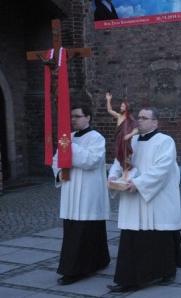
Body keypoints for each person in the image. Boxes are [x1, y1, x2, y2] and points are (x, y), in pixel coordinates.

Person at [107, 107, 181, 292]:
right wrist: (113, 176)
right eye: (138, 117)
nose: (139, 121)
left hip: (157, 199)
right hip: (134, 200)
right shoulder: (130, 139)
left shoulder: (165, 141)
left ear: (155, 122)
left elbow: (162, 169)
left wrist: (138, 183)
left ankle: (165, 271)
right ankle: (129, 278)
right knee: (132, 239)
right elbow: (119, 160)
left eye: (144, 118)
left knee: (158, 237)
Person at [52, 104, 110, 285]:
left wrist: (70, 148)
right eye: (72, 116)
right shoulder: (67, 137)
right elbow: (57, 159)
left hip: (88, 191)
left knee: (86, 230)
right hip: (70, 189)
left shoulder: (96, 138)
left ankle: (78, 269)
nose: (73, 119)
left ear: (88, 118)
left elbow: (91, 160)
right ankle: (98, 260)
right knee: (73, 229)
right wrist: (59, 172)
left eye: (77, 116)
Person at [106, 91, 138, 176]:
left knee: (126, 157)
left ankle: (126, 174)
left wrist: (129, 135)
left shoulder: (130, 119)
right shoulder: (119, 116)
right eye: (121, 106)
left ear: (127, 107)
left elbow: (136, 129)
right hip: (119, 140)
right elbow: (109, 110)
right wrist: (108, 100)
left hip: (126, 141)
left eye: (123, 106)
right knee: (119, 156)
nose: (121, 107)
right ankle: (123, 173)